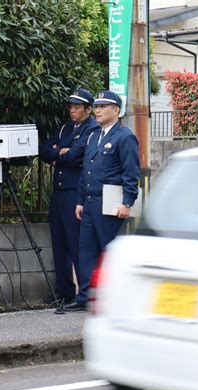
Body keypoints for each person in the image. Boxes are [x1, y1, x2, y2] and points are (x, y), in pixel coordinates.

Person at [62, 90, 140, 312]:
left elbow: (130, 172)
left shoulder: (124, 137)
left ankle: (116, 296)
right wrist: (80, 200)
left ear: (116, 110)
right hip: (90, 201)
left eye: (102, 107)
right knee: (85, 251)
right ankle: (86, 296)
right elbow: (86, 169)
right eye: (96, 107)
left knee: (109, 250)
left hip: (110, 202)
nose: (97, 110)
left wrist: (127, 202)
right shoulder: (94, 136)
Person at [39, 88, 100, 306]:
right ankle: (63, 291)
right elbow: (44, 149)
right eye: (71, 106)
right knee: (58, 242)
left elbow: (76, 156)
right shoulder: (66, 127)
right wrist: (58, 152)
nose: (72, 110)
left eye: (77, 107)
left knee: (76, 243)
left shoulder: (92, 129)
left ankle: (82, 293)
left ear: (88, 109)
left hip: (75, 191)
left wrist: (61, 153)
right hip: (59, 191)